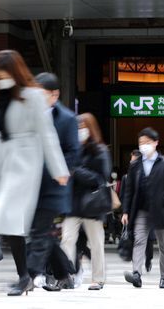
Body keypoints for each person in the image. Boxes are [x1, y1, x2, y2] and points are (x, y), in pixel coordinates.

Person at [0, 50, 69, 296]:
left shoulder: (33, 97)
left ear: (15, 72)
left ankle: (25, 276)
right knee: (7, 223)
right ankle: (25, 277)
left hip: (23, 160)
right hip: (0, 160)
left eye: (4, 73)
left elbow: (47, 133)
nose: (1, 78)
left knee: (9, 217)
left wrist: (58, 168)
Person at [28, 72, 80, 291]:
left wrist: (55, 168)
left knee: (38, 233)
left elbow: (73, 153)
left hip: (53, 186)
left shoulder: (67, 119)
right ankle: (64, 273)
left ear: (54, 95)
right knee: (41, 233)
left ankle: (27, 277)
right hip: (30, 186)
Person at [122, 127, 164, 289]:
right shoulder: (135, 165)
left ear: (156, 143)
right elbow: (129, 190)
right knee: (139, 241)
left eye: (147, 142)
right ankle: (136, 274)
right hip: (141, 209)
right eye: (141, 143)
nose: (144, 146)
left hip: (161, 210)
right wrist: (126, 211)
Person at [60, 113, 110, 291]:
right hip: (73, 204)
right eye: (77, 127)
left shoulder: (100, 151)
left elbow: (100, 178)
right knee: (67, 240)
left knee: (96, 243)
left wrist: (77, 172)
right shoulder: (73, 150)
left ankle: (98, 279)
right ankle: (66, 276)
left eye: (83, 127)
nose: (80, 130)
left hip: (92, 204)